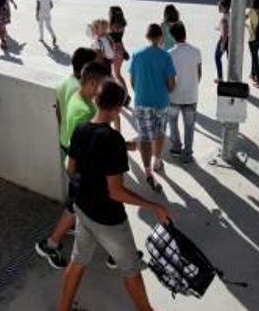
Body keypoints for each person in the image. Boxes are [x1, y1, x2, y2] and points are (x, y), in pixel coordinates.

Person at [58, 80, 170, 311]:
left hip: (82, 207)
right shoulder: (112, 140)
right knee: (131, 270)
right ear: (118, 108)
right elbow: (116, 191)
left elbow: (71, 170)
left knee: (78, 261)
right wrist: (153, 206)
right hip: (108, 219)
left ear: (96, 101)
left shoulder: (81, 129)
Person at [36, 60, 111, 269]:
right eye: (103, 85)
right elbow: (88, 147)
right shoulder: (86, 111)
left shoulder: (78, 99)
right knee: (88, 207)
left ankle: (52, 243)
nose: (104, 91)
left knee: (78, 207)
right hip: (84, 171)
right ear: (93, 83)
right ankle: (50, 244)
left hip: (76, 167)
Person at [129, 24, 176, 191]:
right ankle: (157, 161)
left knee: (145, 138)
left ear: (146, 36)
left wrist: (143, 92)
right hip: (161, 103)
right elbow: (171, 85)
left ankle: (148, 171)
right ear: (161, 37)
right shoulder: (166, 56)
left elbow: (133, 82)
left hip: (142, 102)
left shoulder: (136, 55)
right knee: (160, 132)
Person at [166, 23, 202, 164]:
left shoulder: (170, 54)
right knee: (189, 126)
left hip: (174, 95)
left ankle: (176, 147)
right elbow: (199, 74)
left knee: (173, 122)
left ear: (172, 36)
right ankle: (187, 153)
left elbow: (168, 77)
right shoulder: (196, 51)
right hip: (191, 95)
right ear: (185, 33)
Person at [108, 6, 131, 103]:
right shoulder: (122, 27)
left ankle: (113, 96)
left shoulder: (110, 26)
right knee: (118, 74)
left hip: (111, 51)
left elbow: (107, 40)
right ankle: (126, 96)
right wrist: (124, 51)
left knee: (109, 74)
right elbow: (119, 40)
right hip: (120, 51)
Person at [214, 0, 231, 83]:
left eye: (220, 6)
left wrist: (222, 45)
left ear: (224, 7)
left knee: (217, 57)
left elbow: (225, 33)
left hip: (224, 39)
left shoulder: (224, 19)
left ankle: (220, 77)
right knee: (230, 60)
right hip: (231, 40)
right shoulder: (230, 15)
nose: (218, 8)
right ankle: (231, 78)